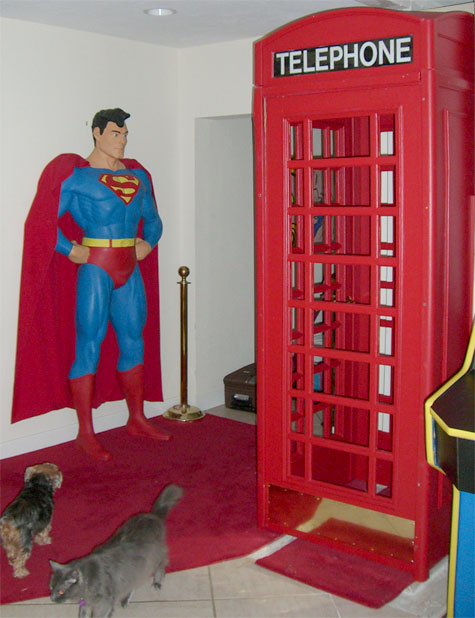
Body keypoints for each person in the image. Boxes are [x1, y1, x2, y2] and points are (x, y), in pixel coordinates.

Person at [11, 108, 169, 460]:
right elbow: (42, 222)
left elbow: (154, 220)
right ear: (97, 133)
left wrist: (148, 242)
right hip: (97, 268)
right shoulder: (77, 178)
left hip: (129, 267)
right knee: (89, 344)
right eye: (115, 133)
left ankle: (137, 417)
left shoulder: (138, 176)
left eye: (124, 134)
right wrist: (70, 249)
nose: (122, 140)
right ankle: (85, 432)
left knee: (134, 341)